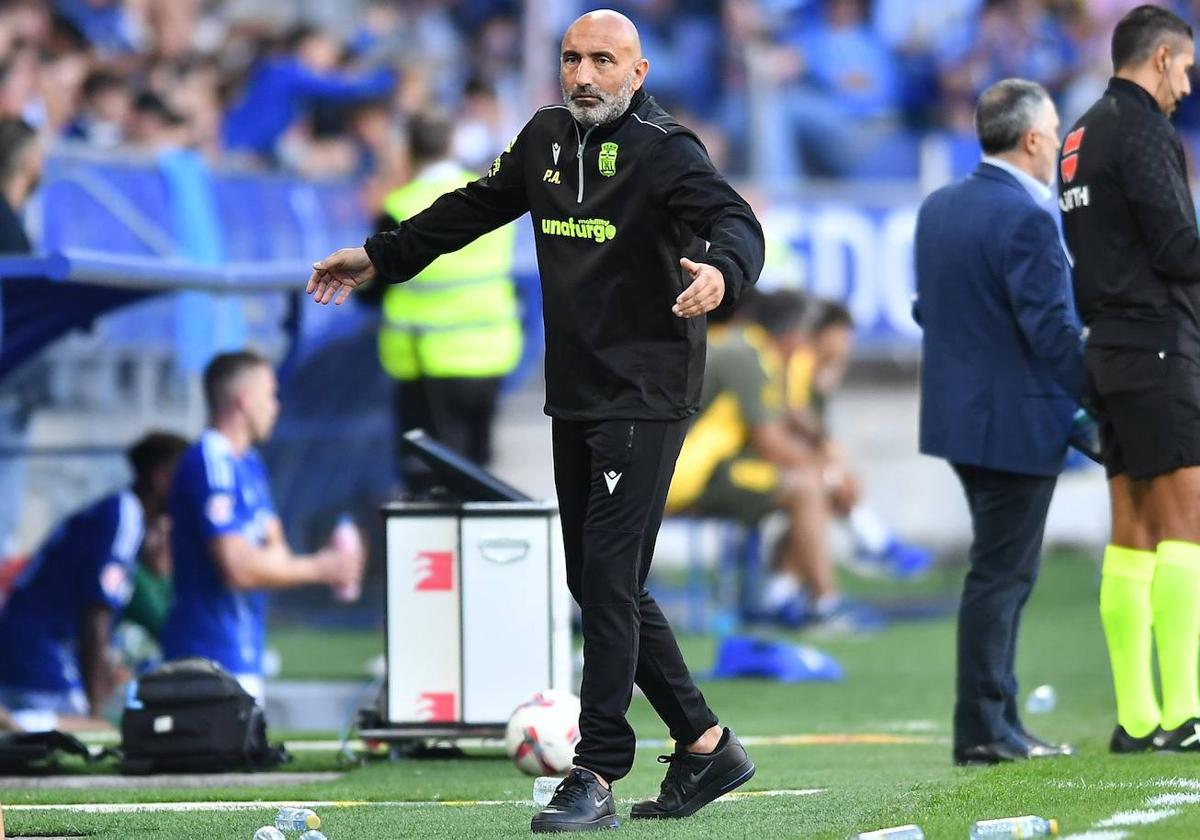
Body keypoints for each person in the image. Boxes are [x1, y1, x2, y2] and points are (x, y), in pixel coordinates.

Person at [306, 9, 764, 832]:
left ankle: (595, 773)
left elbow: (738, 223)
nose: (583, 75)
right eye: (571, 58)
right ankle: (704, 744)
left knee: (609, 581)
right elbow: (474, 205)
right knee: (597, 580)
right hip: (577, 390)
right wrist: (381, 256)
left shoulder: (668, 151)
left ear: (638, 71)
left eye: (602, 61)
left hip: (646, 392)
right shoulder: (546, 138)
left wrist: (724, 275)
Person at [915, 78, 1084, 765]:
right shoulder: (1030, 218)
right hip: (1016, 421)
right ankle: (986, 727)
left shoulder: (939, 206)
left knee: (999, 571)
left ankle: (999, 721)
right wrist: (1105, 403)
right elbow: (1053, 331)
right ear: (1035, 139)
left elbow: (930, 310)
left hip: (960, 417)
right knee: (1002, 575)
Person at [1058, 5, 1200, 754]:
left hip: (1106, 346)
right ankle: (1184, 713)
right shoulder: (1143, 127)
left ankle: (1139, 718)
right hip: (1154, 344)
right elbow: (1177, 246)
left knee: (1134, 530)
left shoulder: (1077, 135)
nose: (1186, 87)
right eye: (1185, 70)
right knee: (1186, 523)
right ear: (1164, 56)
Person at [666, 290, 876, 632]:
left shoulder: (752, 351)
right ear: (794, 335)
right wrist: (831, 475)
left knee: (810, 484)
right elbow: (773, 444)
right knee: (807, 487)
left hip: (700, 469)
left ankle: (780, 595)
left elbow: (786, 424)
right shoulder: (746, 355)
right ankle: (824, 605)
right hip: (685, 477)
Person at [160, 351, 364, 703]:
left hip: (244, 655)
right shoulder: (211, 460)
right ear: (243, 400)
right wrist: (322, 567)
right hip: (206, 659)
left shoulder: (250, 464)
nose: (276, 406)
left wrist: (316, 565)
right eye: (270, 395)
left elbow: (277, 554)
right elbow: (238, 569)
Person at [373, 109, 522, 490]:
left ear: (407, 150)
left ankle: (443, 551)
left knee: (432, 479)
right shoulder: (487, 195)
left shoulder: (399, 206)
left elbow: (372, 286)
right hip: (490, 352)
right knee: (479, 473)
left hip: (429, 360)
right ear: (452, 145)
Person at [0, 431, 188, 730]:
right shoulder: (124, 516)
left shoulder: (120, 515)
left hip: (28, 640)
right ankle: (17, 723)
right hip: (40, 647)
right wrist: (95, 705)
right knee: (95, 730)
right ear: (162, 478)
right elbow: (96, 614)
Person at [785, 300, 933, 580]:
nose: (846, 344)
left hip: (794, 459)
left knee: (832, 483)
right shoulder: (800, 362)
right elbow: (794, 415)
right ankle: (873, 542)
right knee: (830, 482)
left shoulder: (814, 368)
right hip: (776, 459)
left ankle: (870, 542)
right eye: (842, 335)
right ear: (824, 334)